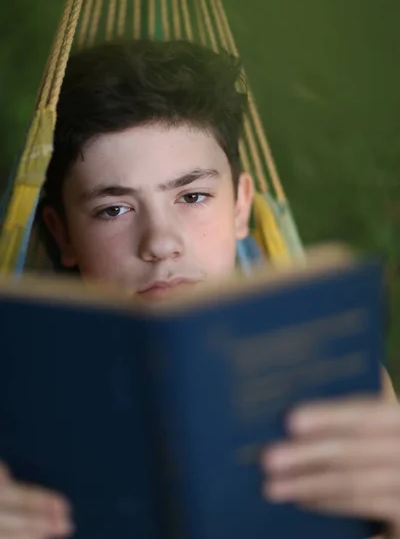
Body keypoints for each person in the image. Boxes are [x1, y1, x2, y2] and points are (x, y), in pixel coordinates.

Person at [0, 39, 398, 538]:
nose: (160, 242)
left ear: (239, 207)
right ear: (61, 234)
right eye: (113, 209)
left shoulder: (332, 379)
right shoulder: (16, 399)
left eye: (192, 195)